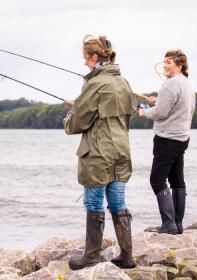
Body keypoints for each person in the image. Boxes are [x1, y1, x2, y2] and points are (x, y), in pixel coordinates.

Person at [63, 35, 136, 270]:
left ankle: (92, 255)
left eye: (86, 58)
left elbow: (76, 124)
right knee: (118, 201)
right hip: (121, 149)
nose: (85, 63)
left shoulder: (95, 84)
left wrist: (69, 116)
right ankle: (126, 255)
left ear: (95, 57)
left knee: (93, 201)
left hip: (98, 152)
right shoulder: (123, 82)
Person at [138, 49, 195, 235]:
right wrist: (157, 101)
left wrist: (144, 112)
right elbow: (174, 107)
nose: (165, 65)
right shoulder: (186, 84)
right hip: (182, 138)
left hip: (167, 139)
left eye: (169, 62)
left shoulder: (169, 85)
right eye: (164, 61)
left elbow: (161, 113)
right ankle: (177, 224)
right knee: (177, 180)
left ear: (180, 65)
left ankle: (169, 224)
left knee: (157, 180)